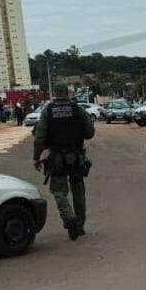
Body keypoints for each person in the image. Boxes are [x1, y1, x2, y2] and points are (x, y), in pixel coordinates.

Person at [33, 83, 95, 241]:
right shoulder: (77, 109)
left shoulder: (48, 111)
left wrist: (36, 157)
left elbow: (39, 136)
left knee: (59, 191)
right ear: (67, 93)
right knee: (78, 190)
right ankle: (80, 225)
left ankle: (69, 218)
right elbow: (90, 132)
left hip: (57, 158)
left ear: (55, 93)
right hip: (76, 157)